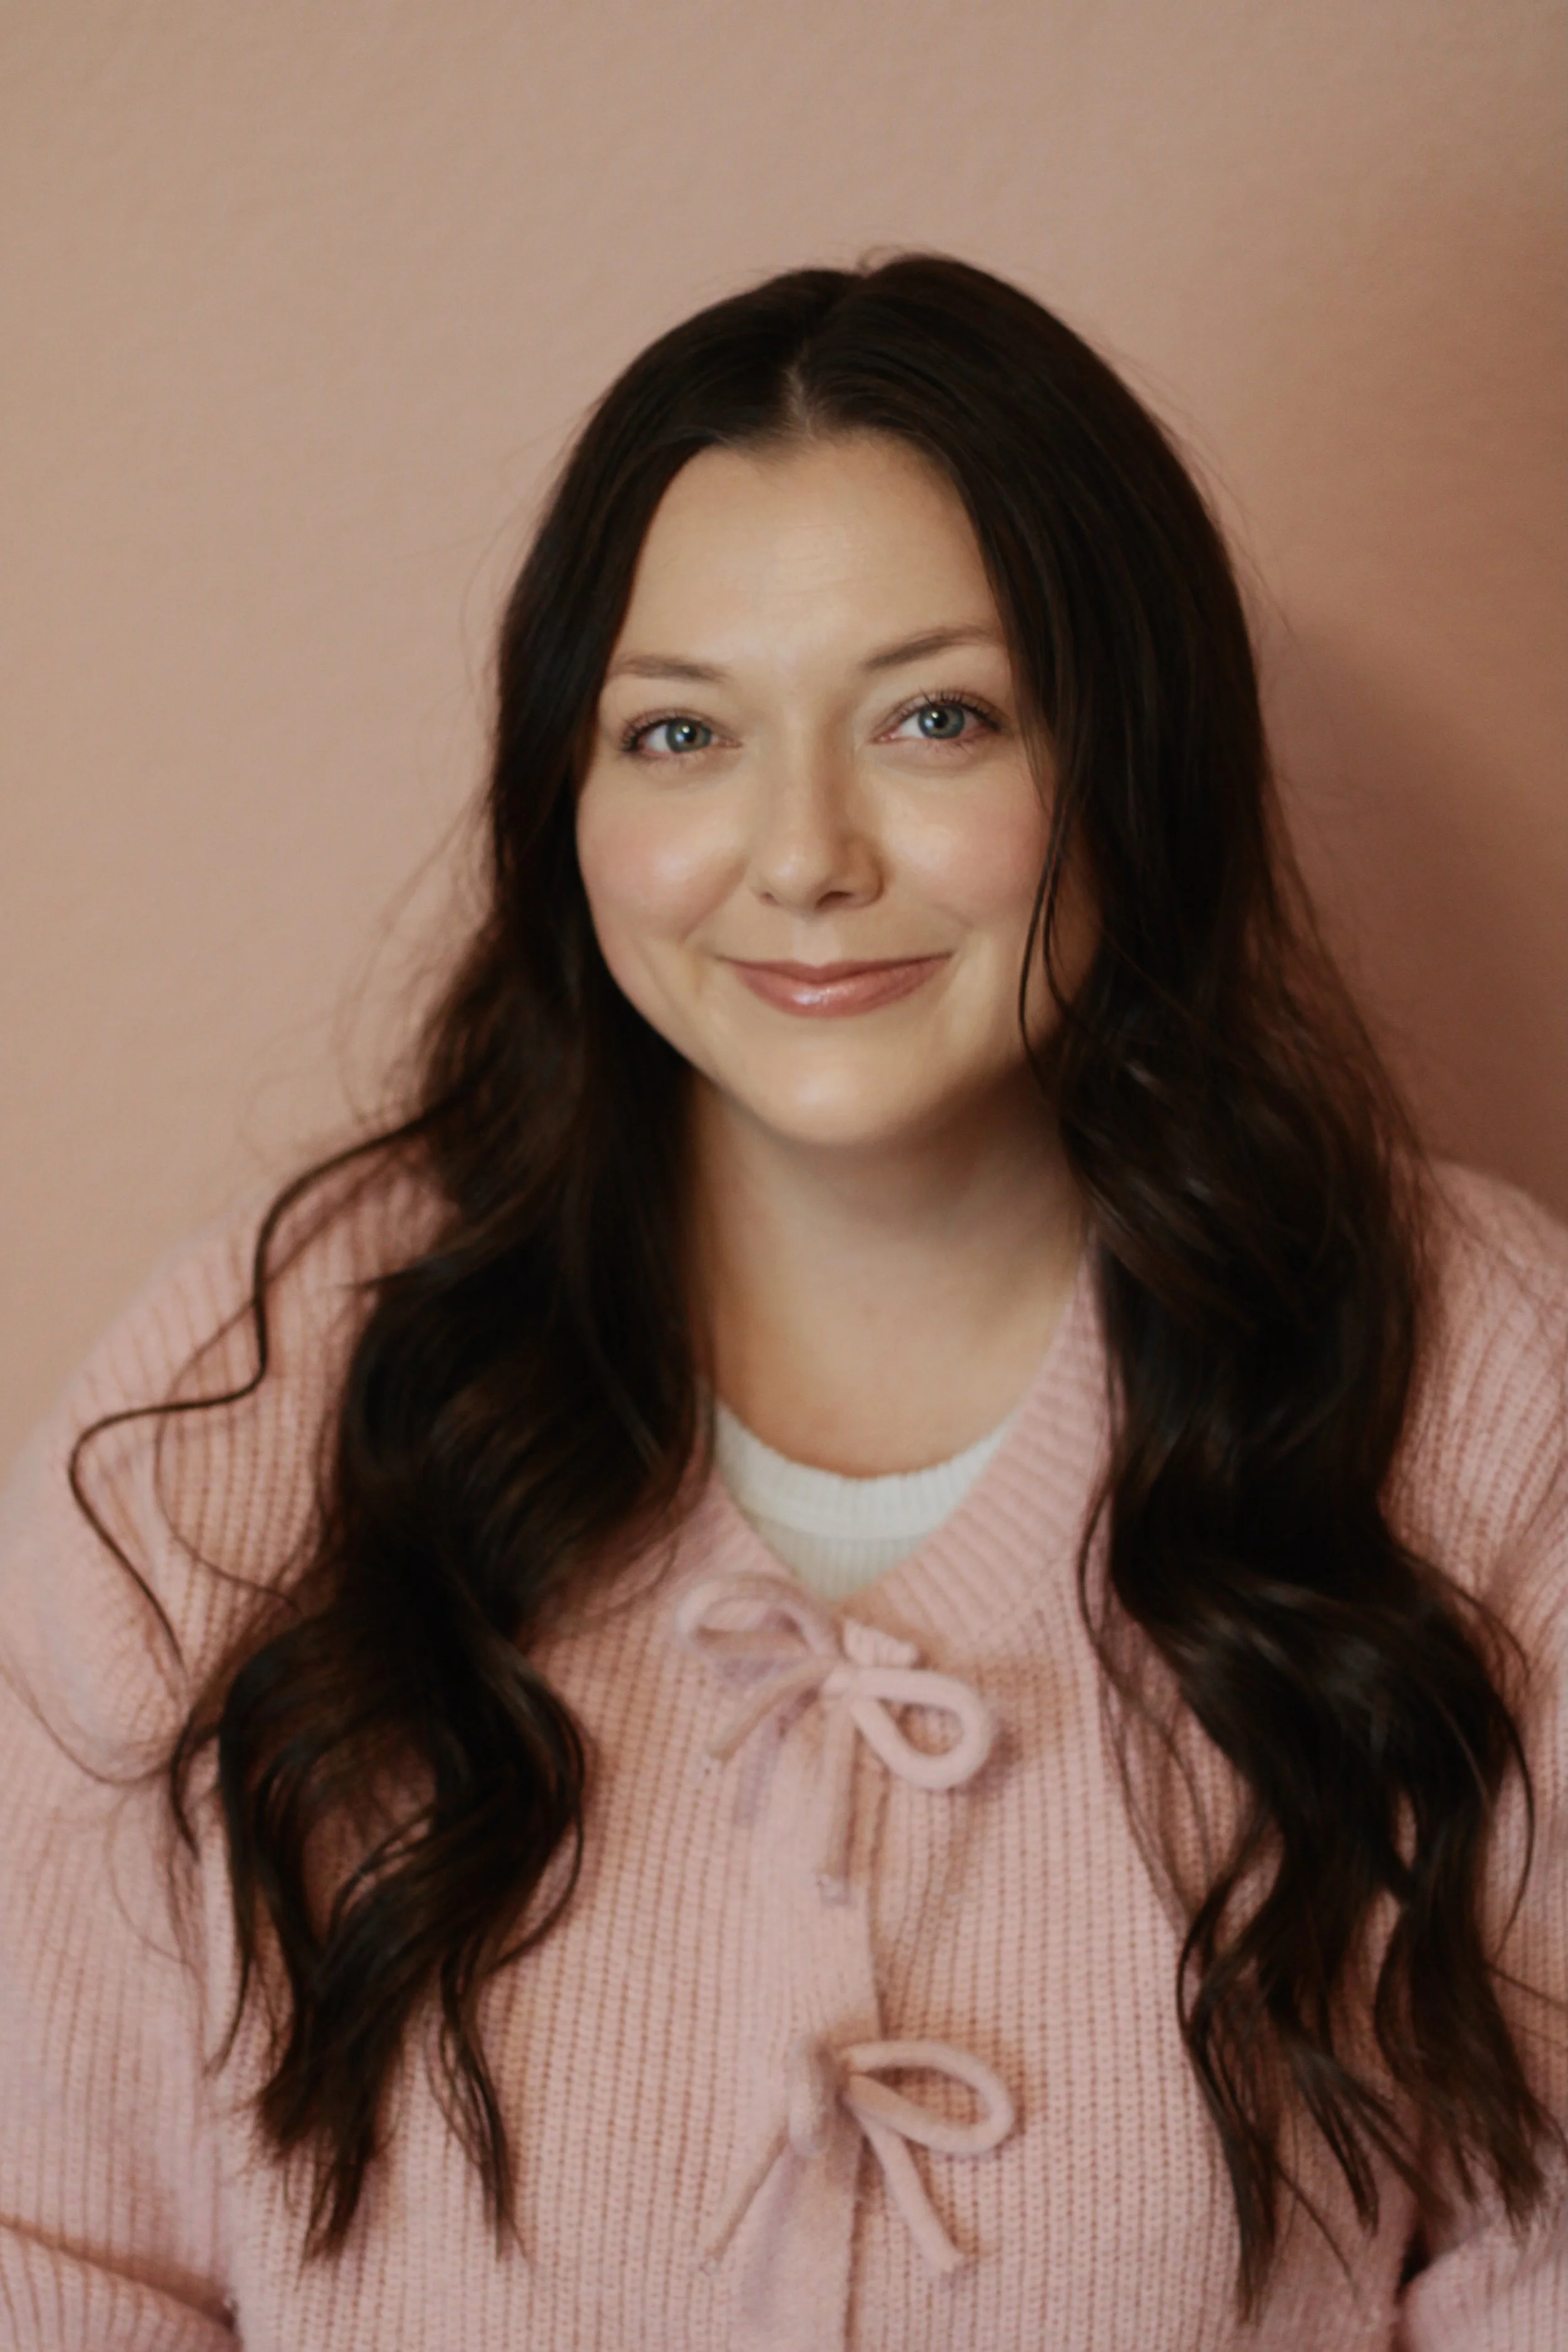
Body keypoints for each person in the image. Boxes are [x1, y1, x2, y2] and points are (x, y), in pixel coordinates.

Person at [0, 254, 1562, 2352]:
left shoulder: (1475, 1379)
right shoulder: (249, 1395)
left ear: (1134, 753)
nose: (802, 852)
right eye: (678, 731)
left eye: (937, 716)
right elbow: (53, 2248)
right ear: (569, 800)